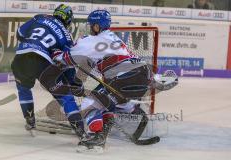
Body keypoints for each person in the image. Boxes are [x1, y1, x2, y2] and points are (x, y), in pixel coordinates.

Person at [52, 9, 178, 151]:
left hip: (123, 78)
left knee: (88, 104)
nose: (91, 27)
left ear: (97, 26)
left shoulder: (92, 40)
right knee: (112, 102)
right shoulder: (114, 38)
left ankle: (97, 136)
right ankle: (136, 112)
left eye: (92, 25)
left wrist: (55, 52)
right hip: (143, 75)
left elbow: (66, 59)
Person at [11, 4, 87, 140]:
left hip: (20, 58)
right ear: (69, 20)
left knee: (24, 89)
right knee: (66, 97)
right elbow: (66, 62)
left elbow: (19, 34)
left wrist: (32, 43)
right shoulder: (66, 35)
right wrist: (73, 81)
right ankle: (81, 132)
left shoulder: (38, 18)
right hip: (42, 63)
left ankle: (30, 121)